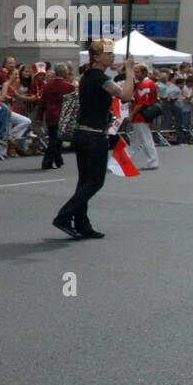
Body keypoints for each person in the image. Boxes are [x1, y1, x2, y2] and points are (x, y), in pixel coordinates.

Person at [54, 41, 135, 240]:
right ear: (96, 56)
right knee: (95, 181)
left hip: (83, 133)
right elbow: (126, 96)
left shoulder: (87, 76)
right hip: (93, 135)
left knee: (85, 181)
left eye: (112, 53)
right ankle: (64, 216)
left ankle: (82, 224)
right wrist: (130, 71)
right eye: (108, 53)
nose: (112, 56)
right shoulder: (99, 78)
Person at [39, 63, 75, 169]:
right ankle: (48, 161)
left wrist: (39, 116)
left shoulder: (48, 86)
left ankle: (58, 160)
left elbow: (42, 102)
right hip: (63, 116)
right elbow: (72, 104)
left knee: (55, 138)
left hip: (50, 115)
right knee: (56, 140)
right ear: (64, 73)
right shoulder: (69, 87)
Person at [127, 62, 160, 170]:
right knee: (136, 140)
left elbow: (142, 102)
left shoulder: (144, 85)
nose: (136, 74)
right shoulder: (150, 83)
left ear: (144, 72)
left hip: (141, 115)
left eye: (137, 72)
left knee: (145, 139)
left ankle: (152, 161)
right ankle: (123, 160)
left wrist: (132, 115)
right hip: (143, 115)